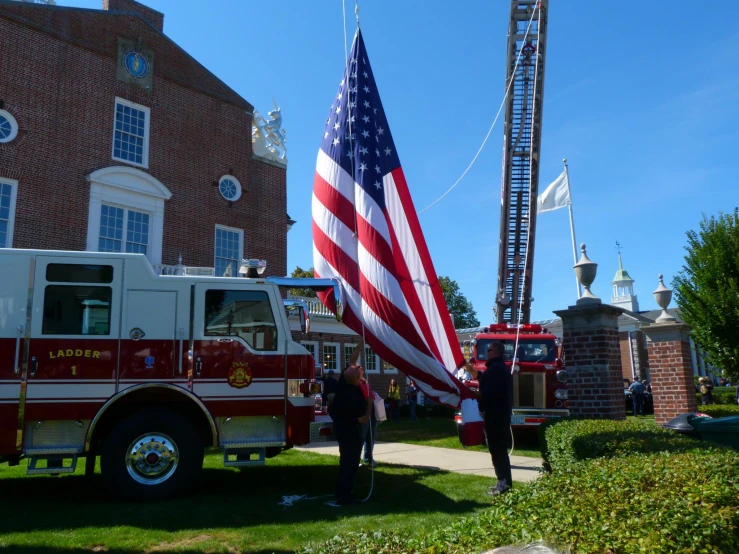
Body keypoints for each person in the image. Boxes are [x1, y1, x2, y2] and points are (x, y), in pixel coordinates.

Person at [469, 342, 513, 496]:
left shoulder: (496, 370)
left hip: (496, 415)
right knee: (497, 449)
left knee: (497, 450)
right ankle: (503, 482)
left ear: (495, 352)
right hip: (499, 414)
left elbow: (490, 392)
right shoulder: (497, 369)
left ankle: (504, 484)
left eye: (488, 350)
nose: (486, 353)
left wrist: (472, 394)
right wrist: (469, 370)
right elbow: (485, 381)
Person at [328, 365, 370, 506]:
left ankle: (342, 493)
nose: (361, 375)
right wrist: (370, 404)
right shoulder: (354, 396)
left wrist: (359, 344)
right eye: (359, 374)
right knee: (350, 464)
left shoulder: (342, 386)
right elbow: (363, 419)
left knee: (345, 462)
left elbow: (351, 364)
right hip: (350, 432)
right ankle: (344, 497)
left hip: (341, 429)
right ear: (355, 378)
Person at [358, 365, 378, 467]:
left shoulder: (364, 382)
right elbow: (366, 397)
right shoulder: (357, 383)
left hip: (372, 410)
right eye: (359, 367)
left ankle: (368, 457)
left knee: (370, 435)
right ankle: (356, 460)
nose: (362, 369)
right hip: (365, 410)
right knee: (361, 436)